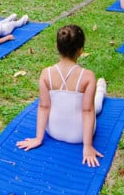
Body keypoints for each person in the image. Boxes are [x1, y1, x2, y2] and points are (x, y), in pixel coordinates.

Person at [16, 25, 107, 167]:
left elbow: (43, 106)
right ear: (81, 50)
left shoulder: (46, 73)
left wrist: (38, 138)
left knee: (90, 106)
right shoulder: (88, 76)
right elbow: (87, 111)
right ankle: (101, 88)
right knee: (96, 106)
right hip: (80, 135)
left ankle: (101, 88)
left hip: (52, 130)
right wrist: (87, 146)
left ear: (57, 47)